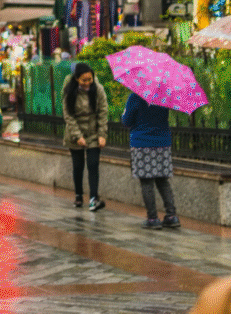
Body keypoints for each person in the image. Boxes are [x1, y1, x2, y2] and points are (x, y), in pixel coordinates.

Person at [121, 92, 180, 229]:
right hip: (162, 142)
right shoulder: (164, 96)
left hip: (142, 143)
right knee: (162, 180)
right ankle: (172, 216)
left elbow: (126, 121)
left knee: (147, 181)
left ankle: (153, 218)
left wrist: (124, 114)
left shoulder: (135, 97)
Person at [62, 62, 108, 212]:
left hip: (93, 132)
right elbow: (68, 115)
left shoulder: (98, 89)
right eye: (84, 80)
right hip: (75, 132)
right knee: (78, 165)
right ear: (76, 79)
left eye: (90, 79)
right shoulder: (70, 91)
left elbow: (103, 112)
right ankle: (78, 195)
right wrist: (77, 136)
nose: (87, 83)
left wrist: (102, 134)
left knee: (93, 164)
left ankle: (93, 199)